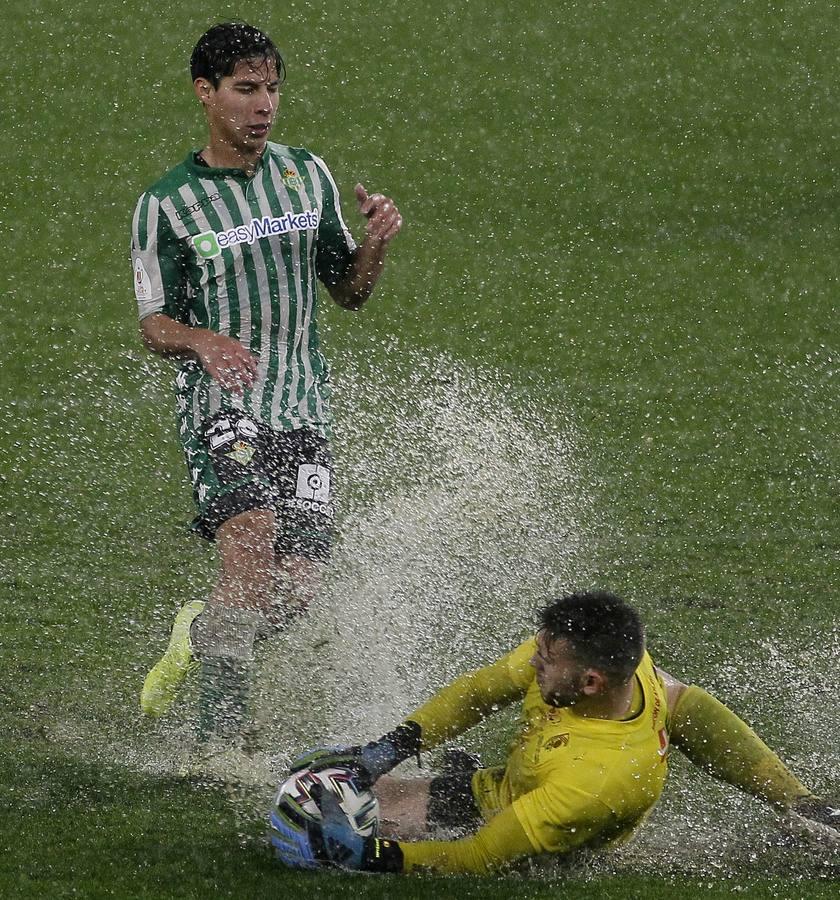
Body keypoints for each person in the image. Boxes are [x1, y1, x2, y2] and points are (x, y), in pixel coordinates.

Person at [130, 22, 402, 769]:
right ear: (205, 93)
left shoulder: (304, 176)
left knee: (295, 589)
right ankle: (220, 740)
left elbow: (349, 291)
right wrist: (203, 341)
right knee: (248, 548)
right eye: (246, 90)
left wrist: (376, 240)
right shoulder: (167, 205)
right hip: (223, 408)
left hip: (302, 408)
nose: (264, 106)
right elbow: (153, 322)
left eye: (272, 89)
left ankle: (201, 630)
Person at [270, 591, 838, 874]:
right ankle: (809, 809)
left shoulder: (594, 781)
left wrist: (374, 858)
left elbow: (481, 856)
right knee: (313, 783)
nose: (532, 666)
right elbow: (481, 690)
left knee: (337, 836)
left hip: (532, 833)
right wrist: (387, 750)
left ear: (591, 682)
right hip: (509, 785)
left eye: (546, 661)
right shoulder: (616, 667)